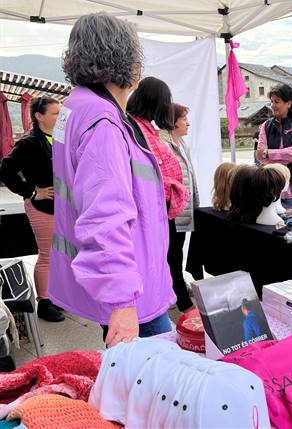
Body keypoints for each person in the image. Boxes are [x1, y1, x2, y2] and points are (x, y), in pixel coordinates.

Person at [51, 13, 176, 347]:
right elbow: (105, 214)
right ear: (128, 62)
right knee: (159, 382)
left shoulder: (75, 107)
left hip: (120, 281)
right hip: (132, 291)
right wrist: (122, 301)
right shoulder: (103, 123)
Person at [128, 77, 190, 313]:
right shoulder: (137, 130)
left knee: (170, 256)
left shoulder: (144, 128)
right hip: (152, 210)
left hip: (161, 208)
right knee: (165, 257)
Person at [0, 96, 65, 322]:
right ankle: (44, 303)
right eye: (56, 113)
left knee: (60, 254)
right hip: (42, 206)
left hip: (61, 207)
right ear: (39, 116)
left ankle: (56, 297)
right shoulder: (29, 142)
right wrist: (31, 191)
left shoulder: (57, 138)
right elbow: (5, 169)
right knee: (47, 255)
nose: (60, 116)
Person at [159, 103, 199, 313]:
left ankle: (177, 288)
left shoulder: (181, 142)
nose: (188, 123)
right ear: (172, 121)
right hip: (171, 210)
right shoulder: (162, 144)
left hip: (183, 208)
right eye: (184, 119)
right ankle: (182, 300)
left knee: (177, 253)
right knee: (172, 254)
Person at [255, 84, 292, 208]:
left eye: (277, 101)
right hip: (271, 187)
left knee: (291, 223)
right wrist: (280, 155)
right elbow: (260, 156)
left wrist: (269, 153)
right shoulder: (266, 126)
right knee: (272, 225)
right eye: (271, 101)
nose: (273, 105)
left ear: (289, 103)